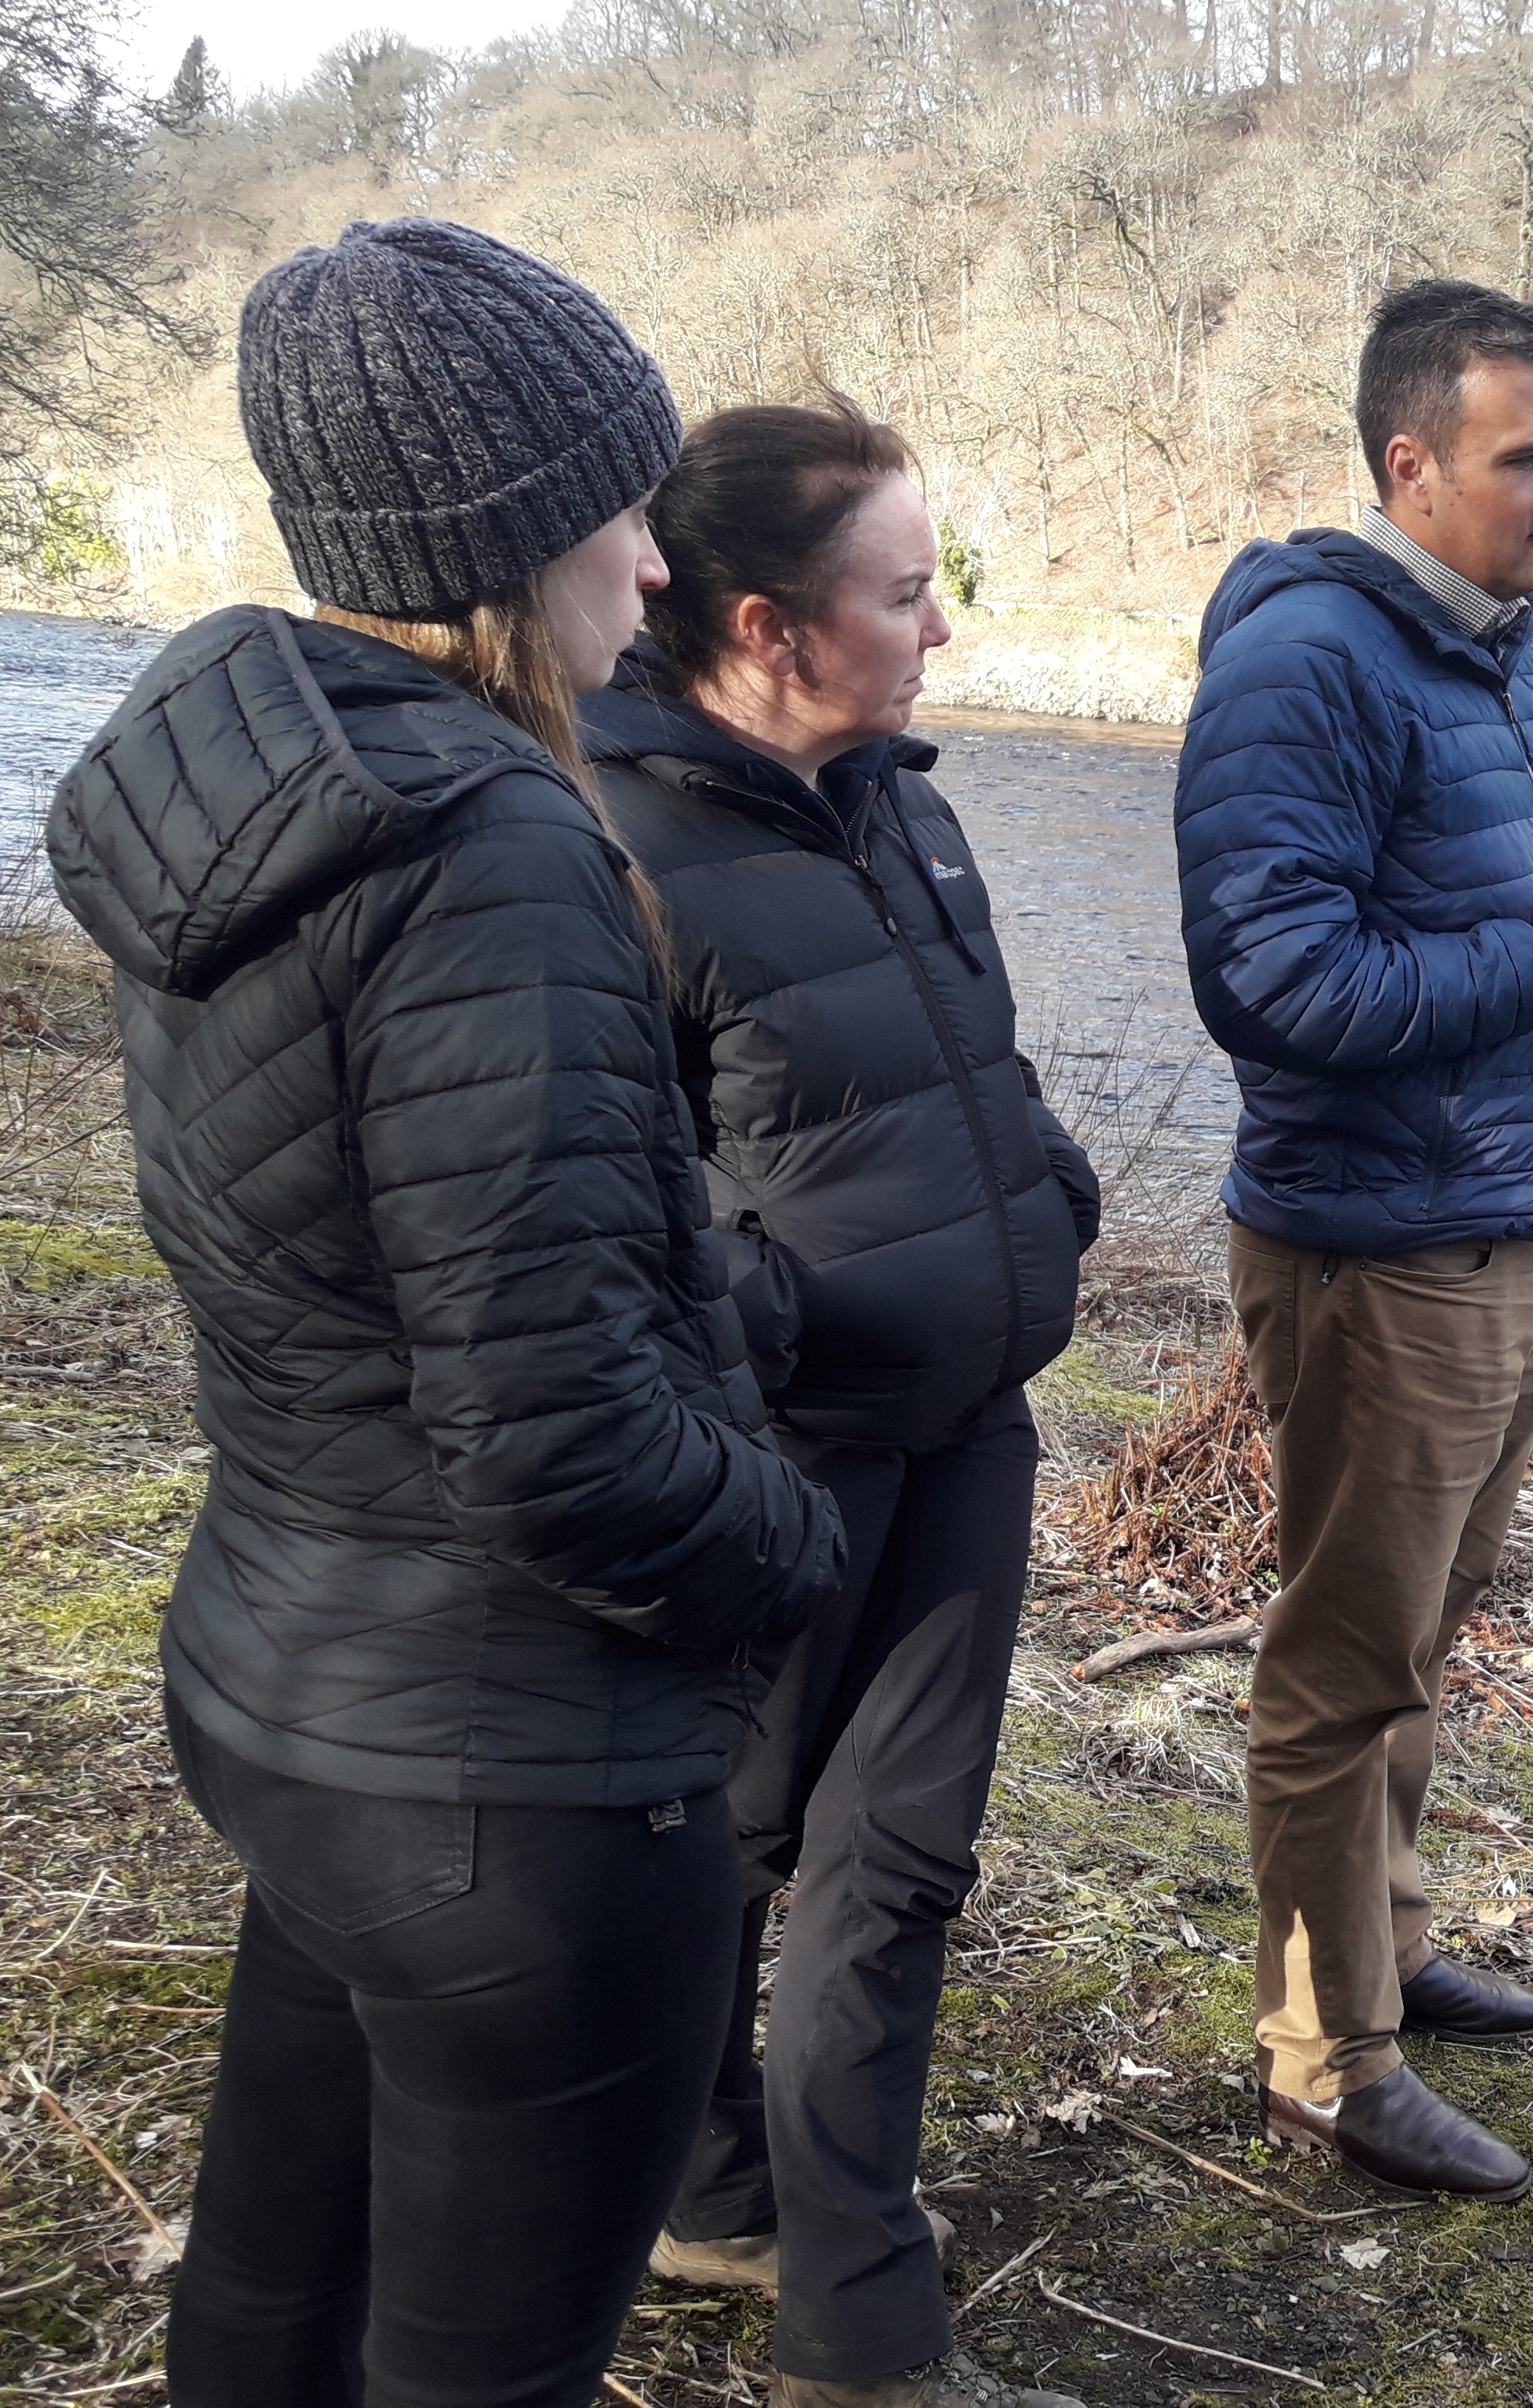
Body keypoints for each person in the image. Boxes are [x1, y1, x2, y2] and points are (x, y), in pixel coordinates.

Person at [45, 221, 846, 2408]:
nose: (658, 570)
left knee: (273, 2313)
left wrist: (720, 1307)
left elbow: (392, 1268)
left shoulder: (255, 775)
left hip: (291, 1690)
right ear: (509, 539)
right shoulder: (491, 843)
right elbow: (561, 1441)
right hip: (513, 1785)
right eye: (622, 506)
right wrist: (792, 1552)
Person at [1173, 278, 1533, 2201]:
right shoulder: (1308, 663)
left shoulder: (1489, 646)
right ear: (1411, 462)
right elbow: (1267, 980)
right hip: (1384, 1252)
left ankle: (1388, 1954)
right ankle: (1323, 2057)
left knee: (1416, 1639)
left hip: (1502, 1227)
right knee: (1346, 1667)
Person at [579, 397, 1097, 2408]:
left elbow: (980, 1063)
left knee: (890, 1864)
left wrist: (1051, 1200)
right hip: (787, 1457)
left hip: (971, 1429)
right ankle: (731, 2207)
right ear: (771, 629)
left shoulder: (908, 800)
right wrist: (794, 1321)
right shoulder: (615, 856)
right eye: (902, 593)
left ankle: (844, 2308)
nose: (941, 629)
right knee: (742, 1837)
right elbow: (616, 1230)